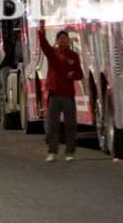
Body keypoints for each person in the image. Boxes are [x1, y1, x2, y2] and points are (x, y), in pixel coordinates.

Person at [38, 19, 83, 162]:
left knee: (70, 125)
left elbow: (80, 74)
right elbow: (44, 45)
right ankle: (52, 152)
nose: (64, 41)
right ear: (57, 41)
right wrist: (41, 32)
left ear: (69, 41)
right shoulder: (53, 53)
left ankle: (70, 152)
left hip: (68, 96)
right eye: (61, 39)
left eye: (66, 39)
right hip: (54, 95)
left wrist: (73, 75)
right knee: (53, 125)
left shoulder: (74, 56)